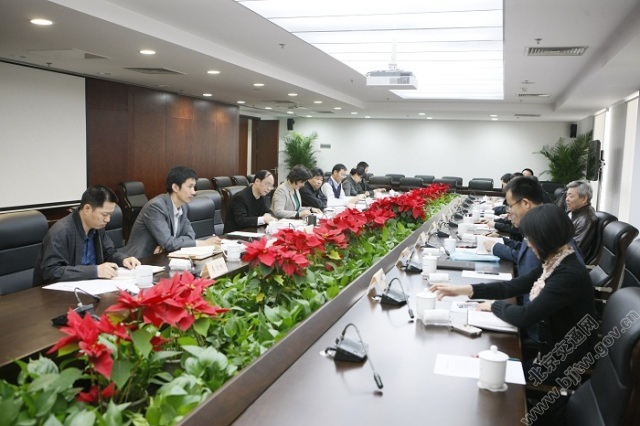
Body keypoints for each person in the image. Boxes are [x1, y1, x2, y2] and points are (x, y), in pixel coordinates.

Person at [432, 204, 597, 386]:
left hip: (560, 363)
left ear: (545, 238)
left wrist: (493, 305)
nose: (529, 244)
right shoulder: (557, 260)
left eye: (531, 239)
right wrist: (464, 289)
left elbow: (525, 316)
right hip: (548, 348)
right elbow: (515, 286)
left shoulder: (568, 274)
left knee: (482, 368)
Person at [33, 186, 140, 285]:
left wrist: (123, 260)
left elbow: (109, 253)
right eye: (104, 214)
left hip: (91, 285)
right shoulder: (61, 231)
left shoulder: (97, 227)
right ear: (87, 209)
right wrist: (95, 271)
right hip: (59, 293)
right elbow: (51, 271)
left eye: (110, 215)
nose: (108, 219)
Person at [124, 166, 220, 258]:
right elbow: (168, 243)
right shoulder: (156, 207)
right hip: (140, 260)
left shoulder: (183, 206)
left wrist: (170, 244)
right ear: (175, 187)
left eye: (194, 187)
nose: (194, 192)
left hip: (162, 257)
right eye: (190, 187)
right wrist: (202, 243)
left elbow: (190, 236)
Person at [565, 180, 598, 258]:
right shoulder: (574, 212)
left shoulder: (586, 220)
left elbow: (573, 250)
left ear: (584, 199)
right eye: (567, 195)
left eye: (571, 196)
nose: (567, 199)